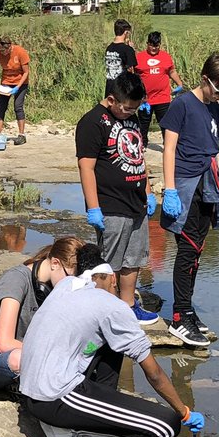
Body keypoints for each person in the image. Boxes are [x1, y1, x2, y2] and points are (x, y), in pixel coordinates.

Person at [19, 244, 205, 437]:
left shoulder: (67, 285)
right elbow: (154, 374)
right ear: (113, 279)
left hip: (30, 388)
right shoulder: (112, 306)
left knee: (112, 341)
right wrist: (184, 412)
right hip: (53, 399)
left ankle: (96, 430)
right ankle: (63, 426)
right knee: (166, 425)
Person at [160, 52, 219, 348]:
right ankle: (179, 316)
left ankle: (188, 308)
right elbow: (169, 149)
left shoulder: (213, 106)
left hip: (208, 182)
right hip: (185, 184)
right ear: (205, 79)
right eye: (218, 90)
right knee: (187, 248)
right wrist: (169, 189)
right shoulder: (181, 104)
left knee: (198, 249)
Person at [76, 71, 161, 326]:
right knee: (110, 262)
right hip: (110, 204)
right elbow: (86, 167)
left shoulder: (130, 118)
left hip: (137, 202)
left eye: (135, 108)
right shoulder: (92, 122)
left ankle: (128, 306)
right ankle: (106, 310)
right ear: (112, 100)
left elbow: (138, 158)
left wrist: (148, 192)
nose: (130, 112)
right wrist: (94, 208)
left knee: (134, 259)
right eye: (127, 108)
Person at [0, 236, 84, 392]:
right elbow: (4, 343)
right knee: (19, 358)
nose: (71, 285)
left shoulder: (52, 289)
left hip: (31, 357)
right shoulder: (16, 279)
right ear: (55, 263)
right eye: (70, 278)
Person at [135, 31, 186, 146]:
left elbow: (172, 72)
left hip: (162, 97)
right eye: (151, 45)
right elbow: (134, 75)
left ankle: (168, 146)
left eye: (156, 45)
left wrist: (179, 84)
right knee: (143, 124)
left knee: (165, 124)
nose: (154, 48)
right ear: (147, 43)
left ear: (160, 45)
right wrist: (136, 95)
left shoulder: (165, 56)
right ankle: (142, 145)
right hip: (145, 99)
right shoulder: (139, 57)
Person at [0, 36, 30, 143]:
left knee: (18, 106)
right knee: (1, 106)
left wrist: (18, 87)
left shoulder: (20, 52)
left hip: (20, 82)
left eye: (4, 51)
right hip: (6, 82)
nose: (3, 54)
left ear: (9, 47)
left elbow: (26, 72)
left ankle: (21, 134)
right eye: (1, 51)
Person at [103, 18, 137, 98]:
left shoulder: (109, 48)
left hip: (109, 87)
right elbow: (131, 70)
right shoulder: (127, 50)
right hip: (122, 90)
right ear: (125, 32)